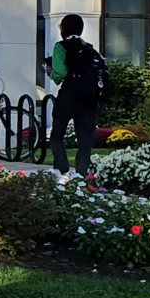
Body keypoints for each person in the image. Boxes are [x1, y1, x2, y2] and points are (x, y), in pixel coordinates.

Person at [48, 13, 104, 176]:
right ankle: (82, 174)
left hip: (69, 95)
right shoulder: (89, 47)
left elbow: (60, 73)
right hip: (89, 98)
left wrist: (51, 73)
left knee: (57, 134)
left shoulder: (61, 47)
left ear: (63, 29)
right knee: (85, 139)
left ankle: (62, 171)